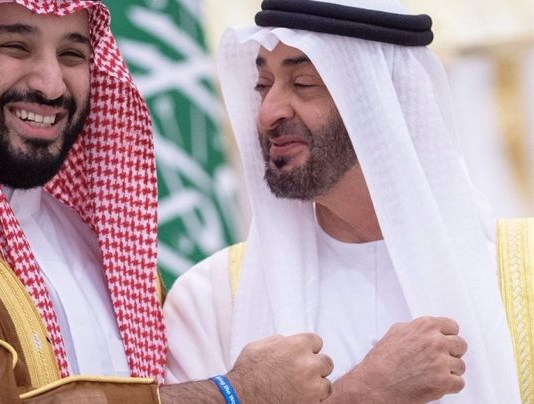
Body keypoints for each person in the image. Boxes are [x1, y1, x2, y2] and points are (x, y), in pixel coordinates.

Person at [0, 0, 334, 402]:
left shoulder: (98, 248)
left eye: (73, 55)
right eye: (16, 46)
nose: (51, 84)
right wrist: (230, 393)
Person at [164, 0, 524, 402]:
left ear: (379, 97)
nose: (268, 112)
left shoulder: (522, 272)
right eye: (262, 86)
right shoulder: (212, 298)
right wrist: (363, 391)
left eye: (303, 84)